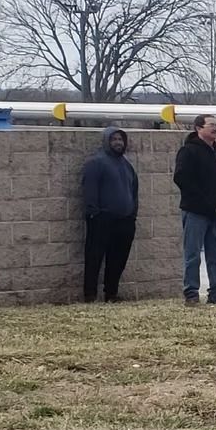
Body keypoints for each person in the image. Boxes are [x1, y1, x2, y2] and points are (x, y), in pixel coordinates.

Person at [174, 114, 216, 306]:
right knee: (192, 254)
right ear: (198, 128)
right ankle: (191, 293)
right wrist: (203, 201)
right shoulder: (188, 151)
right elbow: (182, 179)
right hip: (195, 212)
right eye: (212, 125)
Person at [81, 127, 139, 303]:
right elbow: (89, 190)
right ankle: (90, 295)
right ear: (107, 141)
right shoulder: (96, 163)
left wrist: (132, 214)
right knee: (94, 259)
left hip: (125, 221)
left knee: (118, 260)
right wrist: (95, 213)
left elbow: (134, 191)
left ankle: (111, 294)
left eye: (120, 139)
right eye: (113, 139)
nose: (118, 142)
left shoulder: (127, 165)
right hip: (101, 221)